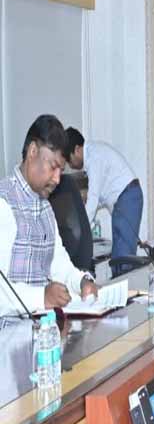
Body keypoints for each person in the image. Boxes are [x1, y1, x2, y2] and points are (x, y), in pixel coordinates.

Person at [0, 115, 98, 317]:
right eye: (53, 167)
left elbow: (58, 264)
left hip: (43, 328)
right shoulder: (4, 203)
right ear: (32, 152)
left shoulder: (45, 207)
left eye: (61, 170)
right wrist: (41, 297)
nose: (57, 179)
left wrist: (81, 282)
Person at [63, 128, 144, 268]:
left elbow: (93, 198)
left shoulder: (94, 158)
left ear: (77, 149)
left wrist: (80, 232)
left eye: (69, 160)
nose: (70, 165)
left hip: (127, 198)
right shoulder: (94, 154)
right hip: (124, 200)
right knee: (118, 258)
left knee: (123, 260)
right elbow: (100, 197)